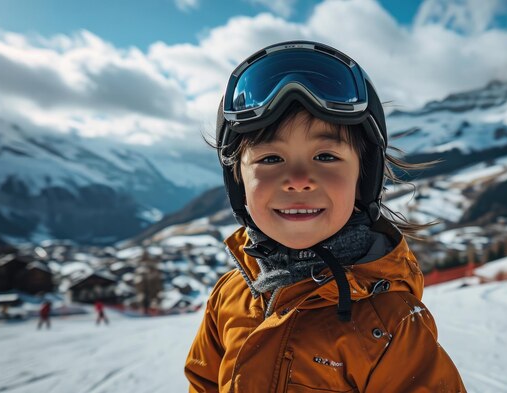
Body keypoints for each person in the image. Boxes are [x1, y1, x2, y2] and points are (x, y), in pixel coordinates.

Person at [185, 41, 466, 392]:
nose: (299, 181)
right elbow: (204, 382)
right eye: (271, 159)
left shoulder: (388, 325)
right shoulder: (229, 296)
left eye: (326, 157)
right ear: (238, 180)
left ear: (363, 177)